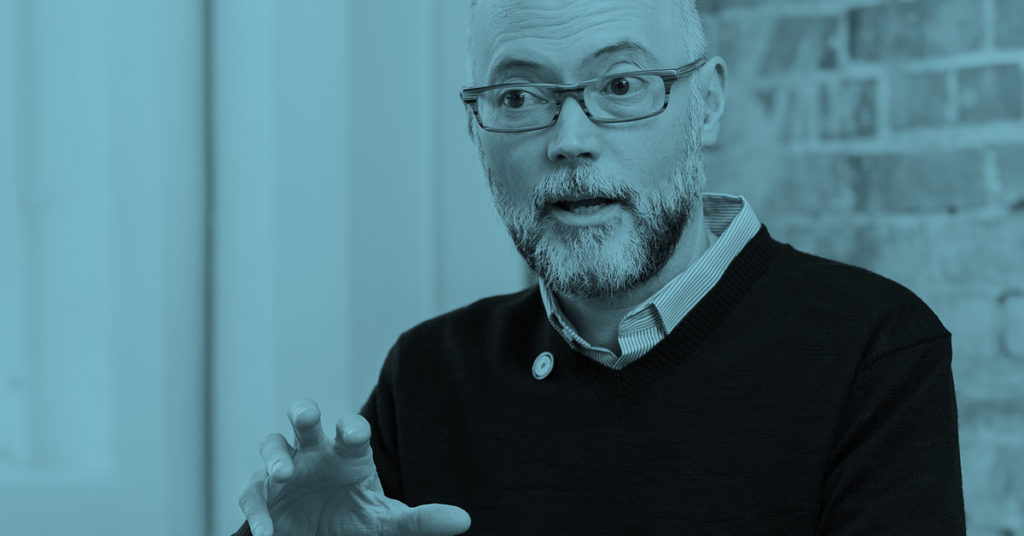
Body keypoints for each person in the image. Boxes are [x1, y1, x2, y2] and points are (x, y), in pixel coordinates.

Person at [233, 0, 966, 534]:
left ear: (705, 103)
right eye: (520, 97)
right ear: (476, 131)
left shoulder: (874, 347)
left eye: (620, 86)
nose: (570, 140)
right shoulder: (428, 372)